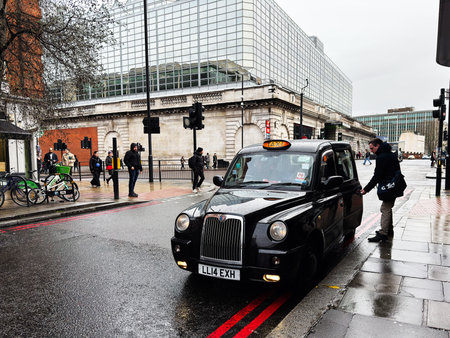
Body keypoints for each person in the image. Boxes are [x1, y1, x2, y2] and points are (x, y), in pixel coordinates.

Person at [360, 138, 401, 242]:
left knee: (385, 208)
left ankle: (383, 233)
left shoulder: (381, 157)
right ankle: (389, 230)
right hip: (394, 185)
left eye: (372, 148)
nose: (371, 151)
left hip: (388, 187)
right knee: (388, 207)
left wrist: (365, 190)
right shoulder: (391, 154)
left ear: (377, 145)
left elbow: (377, 176)